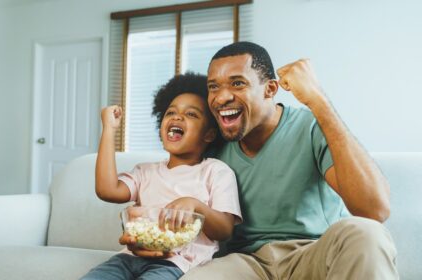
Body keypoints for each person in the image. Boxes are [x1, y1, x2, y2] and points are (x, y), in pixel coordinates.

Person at [170, 42, 397, 279]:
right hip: (245, 263)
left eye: (238, 83)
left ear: (270, 89)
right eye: (213, 87)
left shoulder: (310, 126)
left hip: (311, 254)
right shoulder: (212, 141)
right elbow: (166, 184)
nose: (222, 97)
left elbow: (375, 210)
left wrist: (317, 100)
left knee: (368, 233)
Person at [81, 73, 243, 280]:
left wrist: (195, 205)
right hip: (128, 258)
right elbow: (107, 190)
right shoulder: (145, 172)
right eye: (170, 112)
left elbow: (224, 230)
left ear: (209, 134)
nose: (177, 117)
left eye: (191, 114)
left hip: (177, 264)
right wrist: (109, 130)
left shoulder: (216, 172)